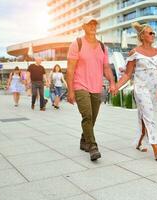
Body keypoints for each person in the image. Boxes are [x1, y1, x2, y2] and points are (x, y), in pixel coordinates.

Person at [115, 22, 157, 161]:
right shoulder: (135, 53)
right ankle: (156, 148)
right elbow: (127, 74)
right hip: (141, 88)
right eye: (150, 33)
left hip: (154, 90)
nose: (153, 35)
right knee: (149, 117)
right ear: (142, 36)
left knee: (144, 117)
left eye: (153, 33)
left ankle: (139, 141)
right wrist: (116, 86)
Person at [66, 15, 116, 161]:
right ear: (83, 27)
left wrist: (112, 82)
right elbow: (70, 70)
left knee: (92, 118)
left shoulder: (102, 47)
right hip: (80, 85)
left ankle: (84, 140)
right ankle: (93, 147)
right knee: (87, 115)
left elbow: (106, 67)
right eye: (89, 24)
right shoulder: (77, 43)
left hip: (96, 87)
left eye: (94, 24)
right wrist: (70, 91)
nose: (92, 26)